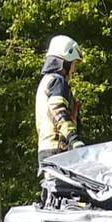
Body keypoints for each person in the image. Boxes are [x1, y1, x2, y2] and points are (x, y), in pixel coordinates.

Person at [35, 35, 85, 165]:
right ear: (66, 62)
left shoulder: (46, 81)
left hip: (46, 150)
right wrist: (73, 138)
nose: (74, 70)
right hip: (58, 150)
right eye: (74, 64)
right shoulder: (57, 81)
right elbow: (57, 110)